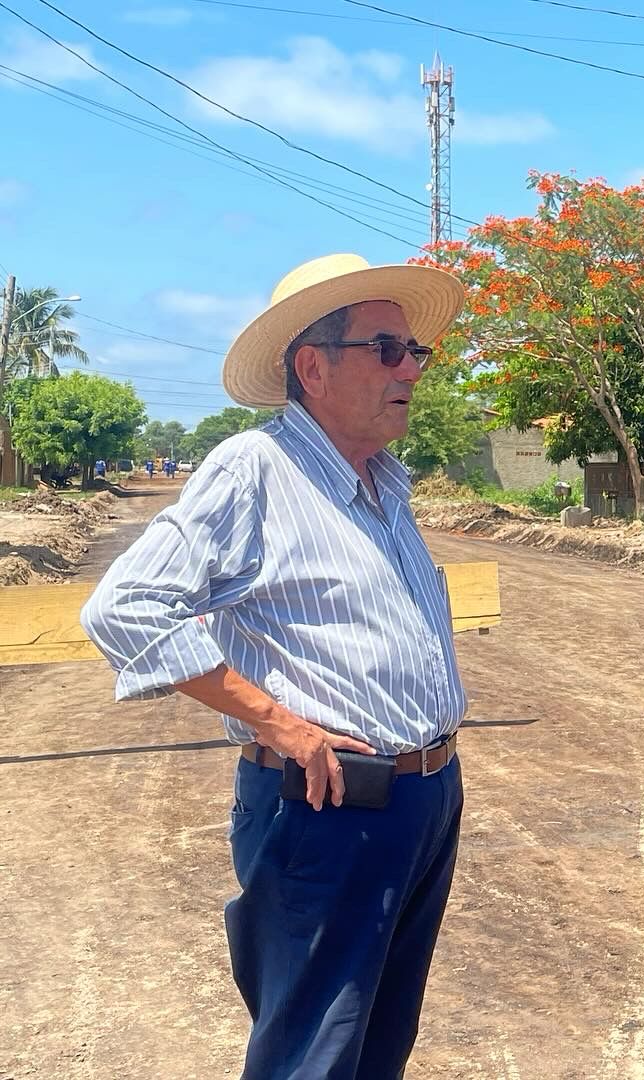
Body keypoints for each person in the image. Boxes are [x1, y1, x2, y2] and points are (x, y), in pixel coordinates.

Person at [81, 253, 470, 1079]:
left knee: (379, 1046)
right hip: (330, 808)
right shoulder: (257, 469)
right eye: (388, 349)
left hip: (425, 799)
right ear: (311, 366)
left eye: (414, 352)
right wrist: (281, 724)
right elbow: (124, 607)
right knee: (314, 1053)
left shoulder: (384, 483)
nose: (411, 370)